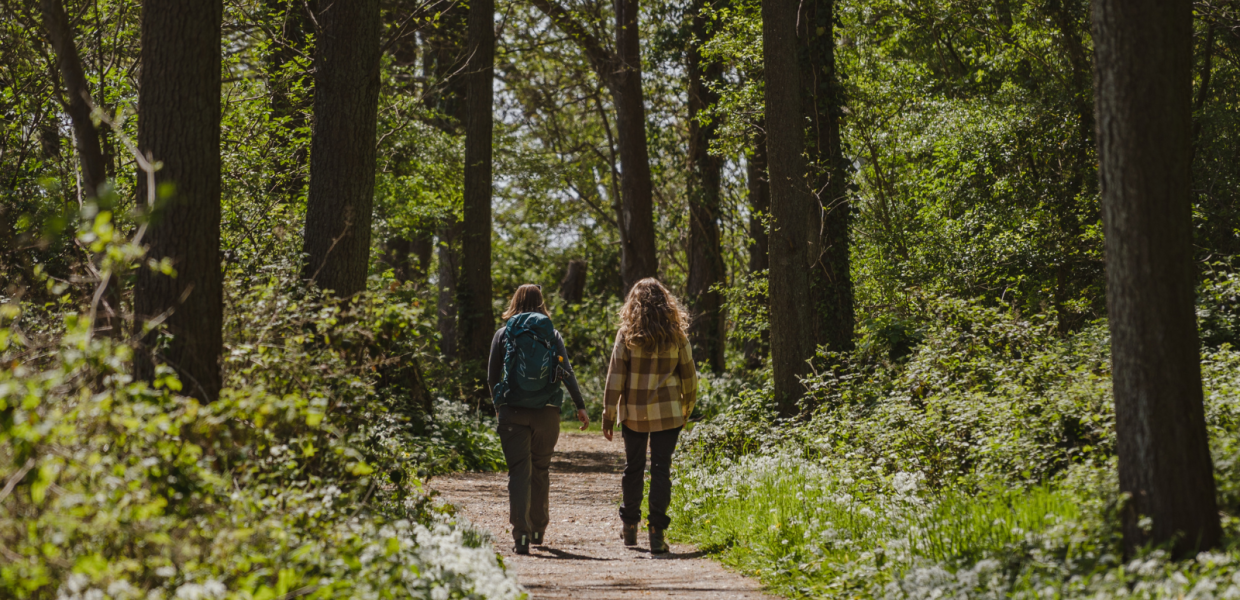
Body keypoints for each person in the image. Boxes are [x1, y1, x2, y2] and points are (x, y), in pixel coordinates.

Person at [488, 283, 590, 555]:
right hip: (547, 412)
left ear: (515, 301)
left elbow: (492, 375)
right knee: (540, 469)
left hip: (512, 412)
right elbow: (565, 371)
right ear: (541, 302)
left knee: (519, 472)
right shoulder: (551, 334)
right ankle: (538, 530)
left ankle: (521, 537)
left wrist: (499, 405)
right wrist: (580, 405)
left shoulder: (503, 333)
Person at [601, 278, 698, 554]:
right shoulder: (677, 336)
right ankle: (656, 532)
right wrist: (686, 409)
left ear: (634, 305)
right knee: (660, 470)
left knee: (633, 468)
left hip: (634, 414)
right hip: (668, 414)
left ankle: (630, 528)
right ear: (666, 304)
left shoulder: (627, 335)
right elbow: (689, 377)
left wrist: (608, 415)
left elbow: (615, 377)